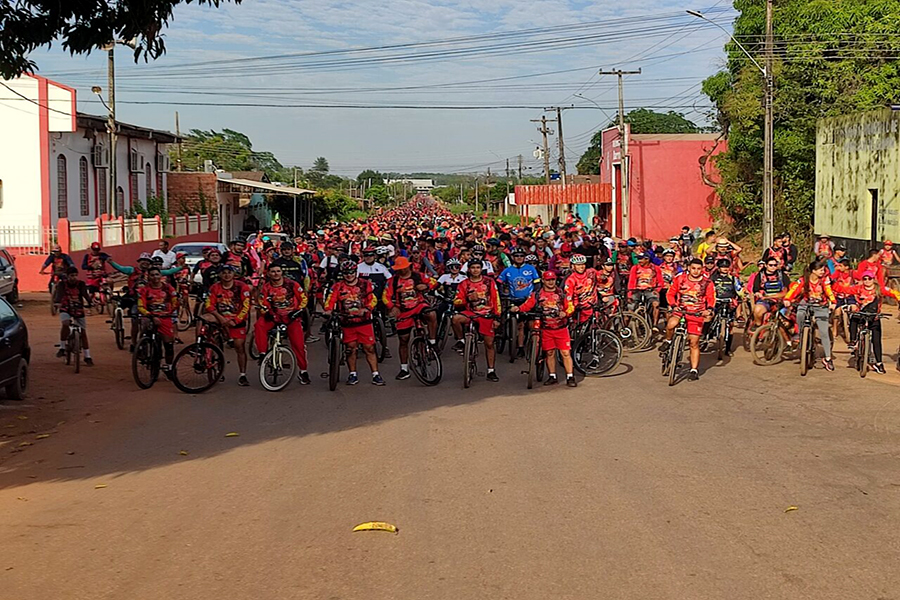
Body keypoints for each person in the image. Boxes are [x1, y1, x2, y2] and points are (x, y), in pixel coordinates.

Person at [324, 260, 386, 386]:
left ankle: (376, 374)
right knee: (350, 349)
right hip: (347, 322)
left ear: (355, 272)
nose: (349, 275)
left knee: (369, 348)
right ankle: (353, 374)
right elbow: (330, 300)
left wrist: (367, 309)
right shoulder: (337, 286)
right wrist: (328, 310)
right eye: (346, 273)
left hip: (364, 322)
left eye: (351, 272)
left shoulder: (365, 284)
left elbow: (372, 299)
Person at [515, 271, 577, 387]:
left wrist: (566, 313)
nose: (550, 282)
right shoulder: (537, 294)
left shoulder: (561, 293)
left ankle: (570, 376)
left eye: (552, 279)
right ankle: (552, 376)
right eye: (548, 280)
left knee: (565, 353)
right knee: (549, 353)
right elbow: (528, 305)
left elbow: (570, 306)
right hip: (546, 328)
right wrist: (518, 309)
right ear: (543, 280)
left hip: (561, 328)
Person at [833, 269, 900, 373]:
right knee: (853, 319)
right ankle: (854, 341)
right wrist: (832, 283)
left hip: (874, 317)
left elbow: (894, 293)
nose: (867, 281)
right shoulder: (858, 288)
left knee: (876, 341)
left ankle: (879, 363)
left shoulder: (880, 289)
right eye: (865, 279)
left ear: (874, 279)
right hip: (861, 315)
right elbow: (844, 290)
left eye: (870, 278)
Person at [255, 264, 311, 385]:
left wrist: (297, 311)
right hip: (274, 316)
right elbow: (262, 302)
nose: (276, 274)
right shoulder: (266, 287)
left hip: (291, 318)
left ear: (282, 272)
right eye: (273, 271)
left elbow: (304, 299)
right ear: (268, 273)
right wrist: (266, 312)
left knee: (299, 345)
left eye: (278, 271)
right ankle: (262, 354)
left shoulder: (292, 284)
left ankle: (303, 371)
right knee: (259, 325)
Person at [383, 256, 437, 380]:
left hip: (419, 305)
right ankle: (404, 368)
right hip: (402, 311)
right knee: (403, 340)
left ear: (408, 266)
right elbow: (385, 296)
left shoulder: (418, 276)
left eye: (404, 268)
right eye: (399, 269)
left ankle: (433, 342)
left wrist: (426, 287)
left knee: (431, 314)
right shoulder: (392, 281)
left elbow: (434, 282)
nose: (402, 271)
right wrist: (391, 307)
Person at [663, 258, 716, 381]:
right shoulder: (680, 279)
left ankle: (693, 369)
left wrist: (709, 309)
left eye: (698, 269)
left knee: (694, 342)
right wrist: (672, 304)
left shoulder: (707, 283)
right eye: (693, 268)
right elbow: (670, 293)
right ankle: (668, 341)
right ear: (689, 268)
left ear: (702, 269)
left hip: (696, 313)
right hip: (680, 309)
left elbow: (711, 298)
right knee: (672, 324)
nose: (696, 271)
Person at [452, 260, 502, 382]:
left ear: (481, 269)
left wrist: (497, 317)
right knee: (455, 319)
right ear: (469, 269)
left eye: (478, 267)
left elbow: (496, 299)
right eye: (473, 267)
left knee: (489, 344)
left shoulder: (489, 282)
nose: (475, 270)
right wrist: (467, 299)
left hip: (487, 314)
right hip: (471, 313)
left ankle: (491, 370)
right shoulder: (464, 283)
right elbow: (456, 301)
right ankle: (461, 341)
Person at [784, 259, 837, 371]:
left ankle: (827, 358)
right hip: (806, 303)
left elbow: (829, 291)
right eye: (820, 270)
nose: (823, 272)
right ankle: (800, 333)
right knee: (799, 313)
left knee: (823, 332)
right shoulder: (803, 280)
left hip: (821, 306)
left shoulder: (824, 280)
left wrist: (833, 302)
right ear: (813, 271)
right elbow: (794, 289)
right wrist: (788, 299)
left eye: (823, 270)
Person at [203, 264, 252, 386]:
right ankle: (205, 353)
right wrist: (220, 318)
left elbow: (246, 306)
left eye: (229, 272)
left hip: (236, 320)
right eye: (223, 272)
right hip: (219, 319)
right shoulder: (214, 287)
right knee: (203, 322)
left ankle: (242, 374)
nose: (226, 275)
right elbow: (209, 305)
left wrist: (235, 320)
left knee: (239, 346)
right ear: (219, 274)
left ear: (233, 274)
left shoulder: (242, 287)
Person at [497, 249, 540, 357]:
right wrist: (502, 293)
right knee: (520, 325)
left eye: (521, 255)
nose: (519, 257)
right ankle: (520, 347)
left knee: (531, 324)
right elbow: (499, 283)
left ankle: (534, 345)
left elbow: (537, 284)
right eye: (517, 255)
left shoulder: (531, 269)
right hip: (514, 300)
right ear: (513, 257)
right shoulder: (508, 270)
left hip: (529, 300)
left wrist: (535, 295)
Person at [137, 266, 179, 373]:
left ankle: (169, 367)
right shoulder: (144, 290)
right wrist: (150, 315)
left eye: (157, 274)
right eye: (152, 275)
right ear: (148, 277)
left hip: (165, 317)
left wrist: (169, 312)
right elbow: (140, 306)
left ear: (161, 276)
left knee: (169, 345)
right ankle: (143, 348)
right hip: (150, 317)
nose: (155, 277)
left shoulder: (168, 288)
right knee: (144, 326)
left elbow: (175, 302)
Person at [54, 267, 93, 366]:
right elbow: (59, 294)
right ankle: (62, 347)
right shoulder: (62, 284)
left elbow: (85, 294)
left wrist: (90, 302)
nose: (74, 278)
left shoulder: (81, 284)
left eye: (75, 275)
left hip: (78, 308)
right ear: (67, 276)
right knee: (65, 323)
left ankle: (87, 356)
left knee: (83, 332)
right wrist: (58, 302)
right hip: (65, 307)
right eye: (72, 276)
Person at [709, 258, 742, 356]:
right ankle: (707, 336)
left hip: (729, 303)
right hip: (716, 302)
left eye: (727, 267)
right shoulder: (713, 278)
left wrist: (743, 295)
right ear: (718, 268)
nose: (725, 269)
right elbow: (708, 289)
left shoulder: (733, 278)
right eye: (723, 267)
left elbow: (739, 289)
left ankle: (728, 349)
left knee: (730, 325)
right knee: (709, 317)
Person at [751, 256, 791, 327]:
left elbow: (787, 290)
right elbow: (755, 289)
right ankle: (758, 327)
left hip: (780, 301)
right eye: (770, 265)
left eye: (775, 265)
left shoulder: (782, 275)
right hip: (765, 301)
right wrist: (758, 294)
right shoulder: (760, 275)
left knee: (788, 320)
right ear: (766, 265)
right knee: (757, 310)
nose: (773, 267)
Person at [628, 252, 665, 328]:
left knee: (656, 304)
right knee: (630, 308)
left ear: (647, 259)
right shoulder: (635, 268)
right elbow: (631, 281)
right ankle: (625, 328)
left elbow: (660, 281)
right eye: (638, 259)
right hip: (637, 290)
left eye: (641, 259)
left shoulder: (655, 268)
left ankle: (655, 325)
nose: (639, 261)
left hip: (650, 290)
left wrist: (657, 290)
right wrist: (629, 294)